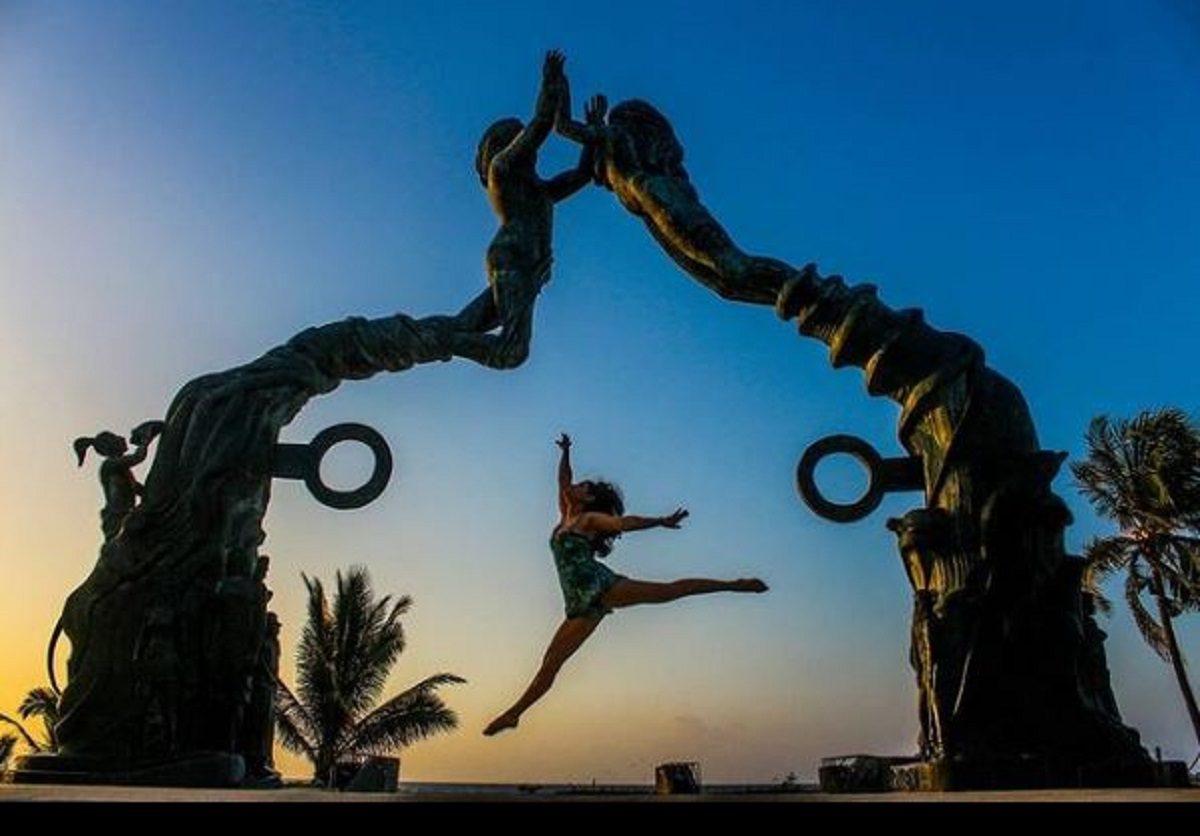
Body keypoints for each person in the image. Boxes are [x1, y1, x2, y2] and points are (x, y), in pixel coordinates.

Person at [483, 433, 767, 736]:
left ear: (588, 499)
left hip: (602, 587)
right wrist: (566, 451)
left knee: (670, 591)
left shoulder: (589, 520)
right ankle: (514, 715)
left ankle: (735, 585)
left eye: (581, 486)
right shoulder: (565, 517)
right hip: (579, 605)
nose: (573, 486)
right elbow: (563, 481)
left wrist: (660, 521)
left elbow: (623, 524)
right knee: (550, 662)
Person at [554, 79, 795, 306]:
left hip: (657, 195)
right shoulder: (607, 144)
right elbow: (584, 171)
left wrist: (555, 84)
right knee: (724, 286)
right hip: (650, 209)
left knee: (734, 266)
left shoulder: (615, 133)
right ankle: (801, 306)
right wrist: (594, 126)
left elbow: (564, 127)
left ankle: (810, 292)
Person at [450, 50, 597, 369]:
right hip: (512, 257)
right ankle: (441, 341)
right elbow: (542, 123)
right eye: (518, 137)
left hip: (528, 267)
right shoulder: (502, 169)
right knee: (511, 350)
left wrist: (592, 133)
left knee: (464, 326)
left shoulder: (541, 191)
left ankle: (426, 338)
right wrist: (551, 81)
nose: (526, 144)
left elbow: (582, 174)